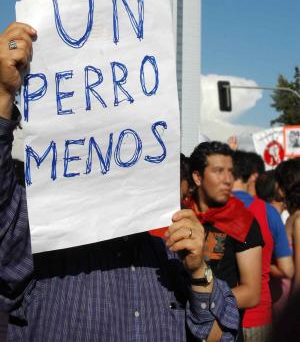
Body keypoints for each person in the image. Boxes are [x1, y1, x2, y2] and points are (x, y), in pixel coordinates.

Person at [0, 22, 239, 341]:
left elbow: (219, 334)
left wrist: (199, 272)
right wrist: (3, 96)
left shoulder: (172, 258)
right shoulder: (46, 244)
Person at [186, 142, 263, 342]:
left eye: (230, 171)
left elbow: (252, 293)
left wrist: (199, 304)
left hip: (221, 334)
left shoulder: (243, 221)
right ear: (197, 177)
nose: (228, 179)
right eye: (218, 171)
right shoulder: (180, 217)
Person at [232, 150, 293, 342]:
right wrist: (264, 268)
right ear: (254, 177)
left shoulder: (210, 209)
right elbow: (287, 269)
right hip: (258, 316)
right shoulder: (268, 212)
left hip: (219, 314)